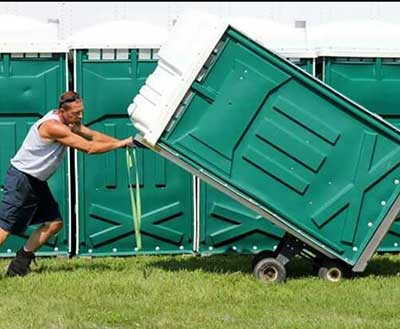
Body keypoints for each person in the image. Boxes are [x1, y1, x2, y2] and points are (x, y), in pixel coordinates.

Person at [0, 91, 135, 277]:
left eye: (82, 111)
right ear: (63, 111)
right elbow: (89, 147)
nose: (80, 116)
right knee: (5, 228)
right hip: (22, 179)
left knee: (54, 224)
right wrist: (121, 144)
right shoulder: (53, 127)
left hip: (36, 181)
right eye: (76, 112)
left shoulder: (68, 122)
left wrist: (127, 142)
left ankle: (18, 266)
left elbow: (93, 136)